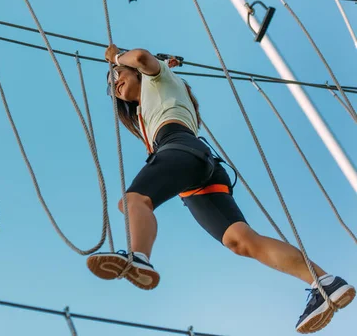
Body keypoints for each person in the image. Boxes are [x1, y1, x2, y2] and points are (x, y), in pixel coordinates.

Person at [86, 44, 355, 334]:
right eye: (111, 83)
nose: (114, 83)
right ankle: (325, 283)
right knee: (240, 240)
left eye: (118, 74)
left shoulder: (158, 77)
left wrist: (115, 56)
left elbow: (140, 57)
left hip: (181, 149)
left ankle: (139, 258)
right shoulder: (152, 100)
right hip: (196, 166)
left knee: (133, 200)